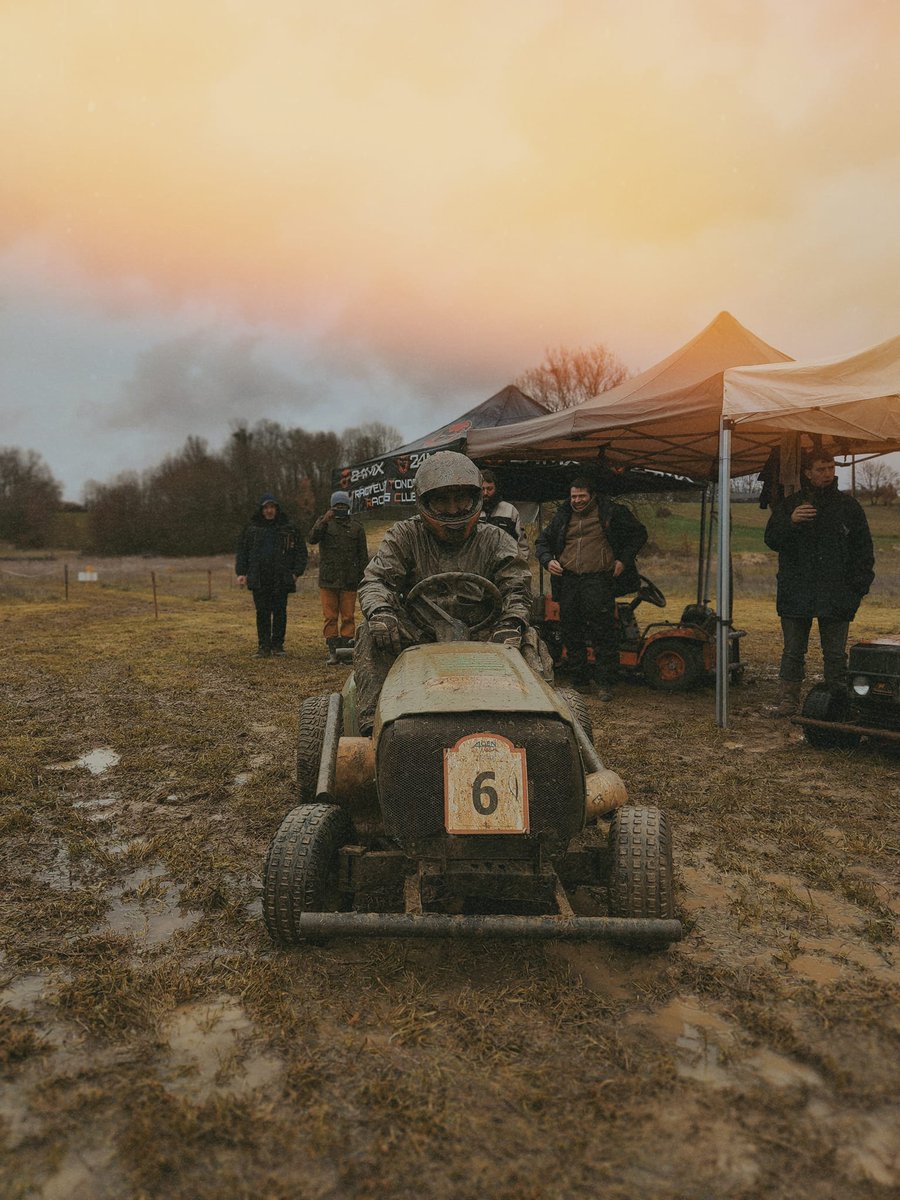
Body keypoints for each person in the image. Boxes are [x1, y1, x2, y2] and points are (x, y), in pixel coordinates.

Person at [354, 451, 551, 734]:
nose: (454, 509)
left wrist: (511, 623)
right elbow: (376, 580)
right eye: (442, 500)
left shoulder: (495, 538)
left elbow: (517, 587)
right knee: (372, 633)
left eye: (461, 499)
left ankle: (538, 725)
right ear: (424, 502)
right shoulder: (404, 536)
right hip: (418, 634)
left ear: (476, 499)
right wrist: (381, 611)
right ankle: (373, 731)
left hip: (483, 635)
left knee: (529, 641)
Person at [764, 450, 874, 716]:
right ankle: (788, 702)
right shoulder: (791, 505)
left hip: (836, 593)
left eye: (830, 468)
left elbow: (864, 552)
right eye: (821, 469)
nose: (827, 473)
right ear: (807, 473)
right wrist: (790, 522)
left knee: (835, 655)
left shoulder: (848, 507)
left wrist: (857, 590)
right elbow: (771, 539)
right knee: (793, 651)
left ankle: (839, 703)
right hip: (796, 591)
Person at [534, 476, 647, 701]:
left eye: (582, 496)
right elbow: (542, 542)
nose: (577, 501)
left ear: (592, 495)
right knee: (570, 629)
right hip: (569, 580)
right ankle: (579, 681)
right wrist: (548, 560)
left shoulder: (611, 512)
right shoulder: (563, 515)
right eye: (574, 496)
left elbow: (639, 534)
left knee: (602, 630)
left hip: (599, 579)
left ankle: (605, 683)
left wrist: (623, 560)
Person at [235, 493, 308, 657]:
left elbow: (300, 552)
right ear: (261, 510)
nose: (269, 511)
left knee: (280, 611)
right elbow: (242, 552)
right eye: (266, 508)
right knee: (262, 612)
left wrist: (296, 572)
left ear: (277, 509)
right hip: (259, 577)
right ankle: (263, 647)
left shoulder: (288, 527)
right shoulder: (252, 528)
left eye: (272, 507)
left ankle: (277, 646)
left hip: (281, 578)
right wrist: (241, 572)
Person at [308, 490, 370, 664]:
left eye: (343, 506)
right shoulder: (324, 524)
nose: (340, 508)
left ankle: (347, 652)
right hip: (328, 580)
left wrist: (364, 578)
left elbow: (363, 556)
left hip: (350, 580)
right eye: (337, 506)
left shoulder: (357, 527)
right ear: (331, 507)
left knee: (349, 617)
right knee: (330, 616)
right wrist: (323, 520)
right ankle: (333, 651)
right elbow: (312, 538)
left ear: (348, 507)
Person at [479, 469, 530, 558]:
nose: (485, 493)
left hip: (506, 565)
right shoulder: (471, 512)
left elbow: (522, 545)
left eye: (489, 489)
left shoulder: (510, 511)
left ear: (496, 488)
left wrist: (521, 565)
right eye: (482, 489)